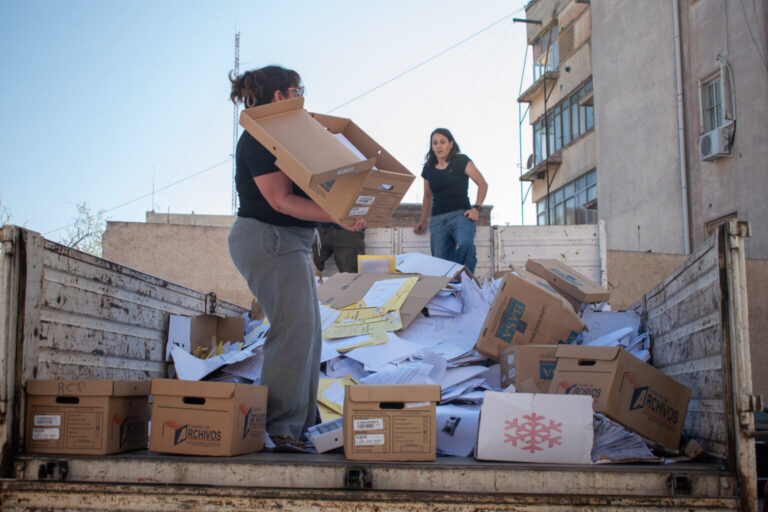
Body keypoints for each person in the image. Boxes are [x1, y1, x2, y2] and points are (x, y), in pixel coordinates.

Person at [227, 65, 365, 452]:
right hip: (267, 239)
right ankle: (279, 427)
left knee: (308, 333)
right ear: (279, 97)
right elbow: (280, 200)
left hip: (289, 242)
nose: (302, 97)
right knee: (292, 330)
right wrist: (338, 215)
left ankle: (300, 426)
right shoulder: (259, 139)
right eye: (296, 90)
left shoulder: (284, 138)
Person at [413, 128, 488, 274]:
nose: (438, 146)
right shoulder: (428, 169)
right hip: (437, 220)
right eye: (434, 143)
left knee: (466, 244)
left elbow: (482, 184)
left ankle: (464, 279)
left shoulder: (461, 161)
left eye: (442, 142)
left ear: (451, 144)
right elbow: (427, 196)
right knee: (440, 264)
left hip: (460, 216)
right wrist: (423, 221)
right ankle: (450, 288)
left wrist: (476, 208)